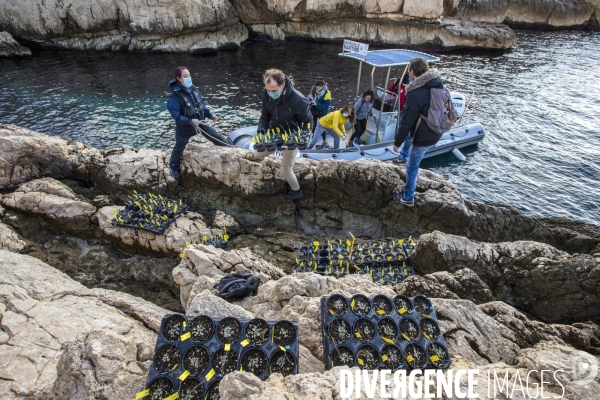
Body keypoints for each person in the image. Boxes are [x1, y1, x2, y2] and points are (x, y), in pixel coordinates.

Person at [393, 57, 445, 207]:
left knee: (411, 166)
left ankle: (408, 197)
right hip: (436, 131)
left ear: (412, 71)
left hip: (424, 135)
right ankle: (405, 157)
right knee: (412, 156)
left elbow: (407, 121)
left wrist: (397, 142)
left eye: (409, 70)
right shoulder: (437, 84)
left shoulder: (415, 93)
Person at [257, 68, 312, 201]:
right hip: (275, 134)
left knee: (285, 170)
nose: (270, 93)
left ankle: (297, 191)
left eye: (274, 91)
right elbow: (264, 116)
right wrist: (261, 133)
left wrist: (297, 140)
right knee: (257, 154)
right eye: (268, 90)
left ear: (283, 85)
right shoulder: (266, 93)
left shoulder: (298, 100)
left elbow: (308, 122)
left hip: (292, 137)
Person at [167, 66, 229, 179]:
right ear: (178, 78)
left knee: (215, 136)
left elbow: (201, 104)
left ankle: (230, 148)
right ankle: (173, 168)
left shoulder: (193, 89)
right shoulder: (174, 98)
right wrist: (189, 121)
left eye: (189, 75)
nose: (188, 78)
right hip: (185, 128)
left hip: (199, 123)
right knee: (179, 148)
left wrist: (210, 115)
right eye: (185, 76)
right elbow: (177, 116)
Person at [307, 77, 332, 143]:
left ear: (323, 86)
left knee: (323, 125)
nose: (318, 89)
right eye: (317, 88)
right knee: (314, 125)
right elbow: (309, 99)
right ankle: (313, 138)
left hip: (322, 111)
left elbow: (326, 105)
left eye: (319, 88)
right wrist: (310, 103)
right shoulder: (313, 90)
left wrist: (316, 104)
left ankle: (324, 139)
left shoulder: (327, 92)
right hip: (314, 110)